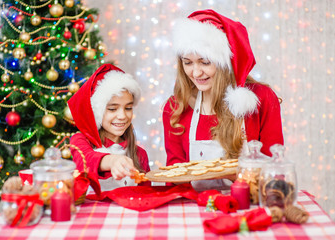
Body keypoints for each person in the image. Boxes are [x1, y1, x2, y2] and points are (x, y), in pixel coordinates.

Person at [163, 9, 284, 189]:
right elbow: (175, 179)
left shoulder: (261, 99)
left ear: (225, 62)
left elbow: (276, 171)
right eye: (187, 62)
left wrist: (237, 173)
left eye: (205, 62)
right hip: (195, 211)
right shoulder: (175, 108)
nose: (196, 73)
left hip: (247, 209)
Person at [68, 64, 150, 191]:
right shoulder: (80, 141)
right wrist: (112, 161)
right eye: (112, 109)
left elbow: (146, 194)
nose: (122, 116)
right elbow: (85, 160)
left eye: (128, 108)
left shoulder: (140, 154)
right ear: (97, 112)